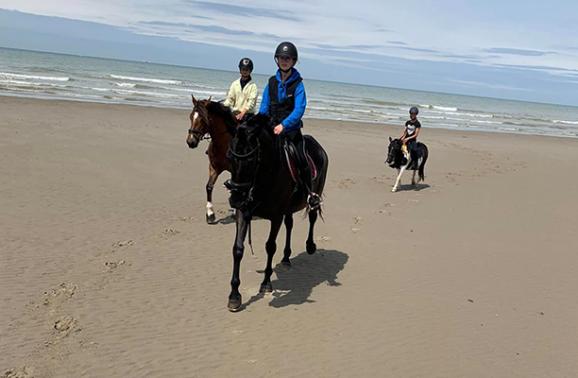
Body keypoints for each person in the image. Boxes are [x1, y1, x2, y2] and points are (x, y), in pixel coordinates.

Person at [259, 41, 320, 209]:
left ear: (293, 61)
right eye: (281, 57)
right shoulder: (271, 82)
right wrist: (260, 123)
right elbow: (264, 107)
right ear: (276, 59)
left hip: (290, 131)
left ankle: (310, 193)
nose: (284, 60)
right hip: (271, 128)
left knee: (301, 158)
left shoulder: (298, 84)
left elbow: (299, 109)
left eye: (288, 58)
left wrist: (284, 126)